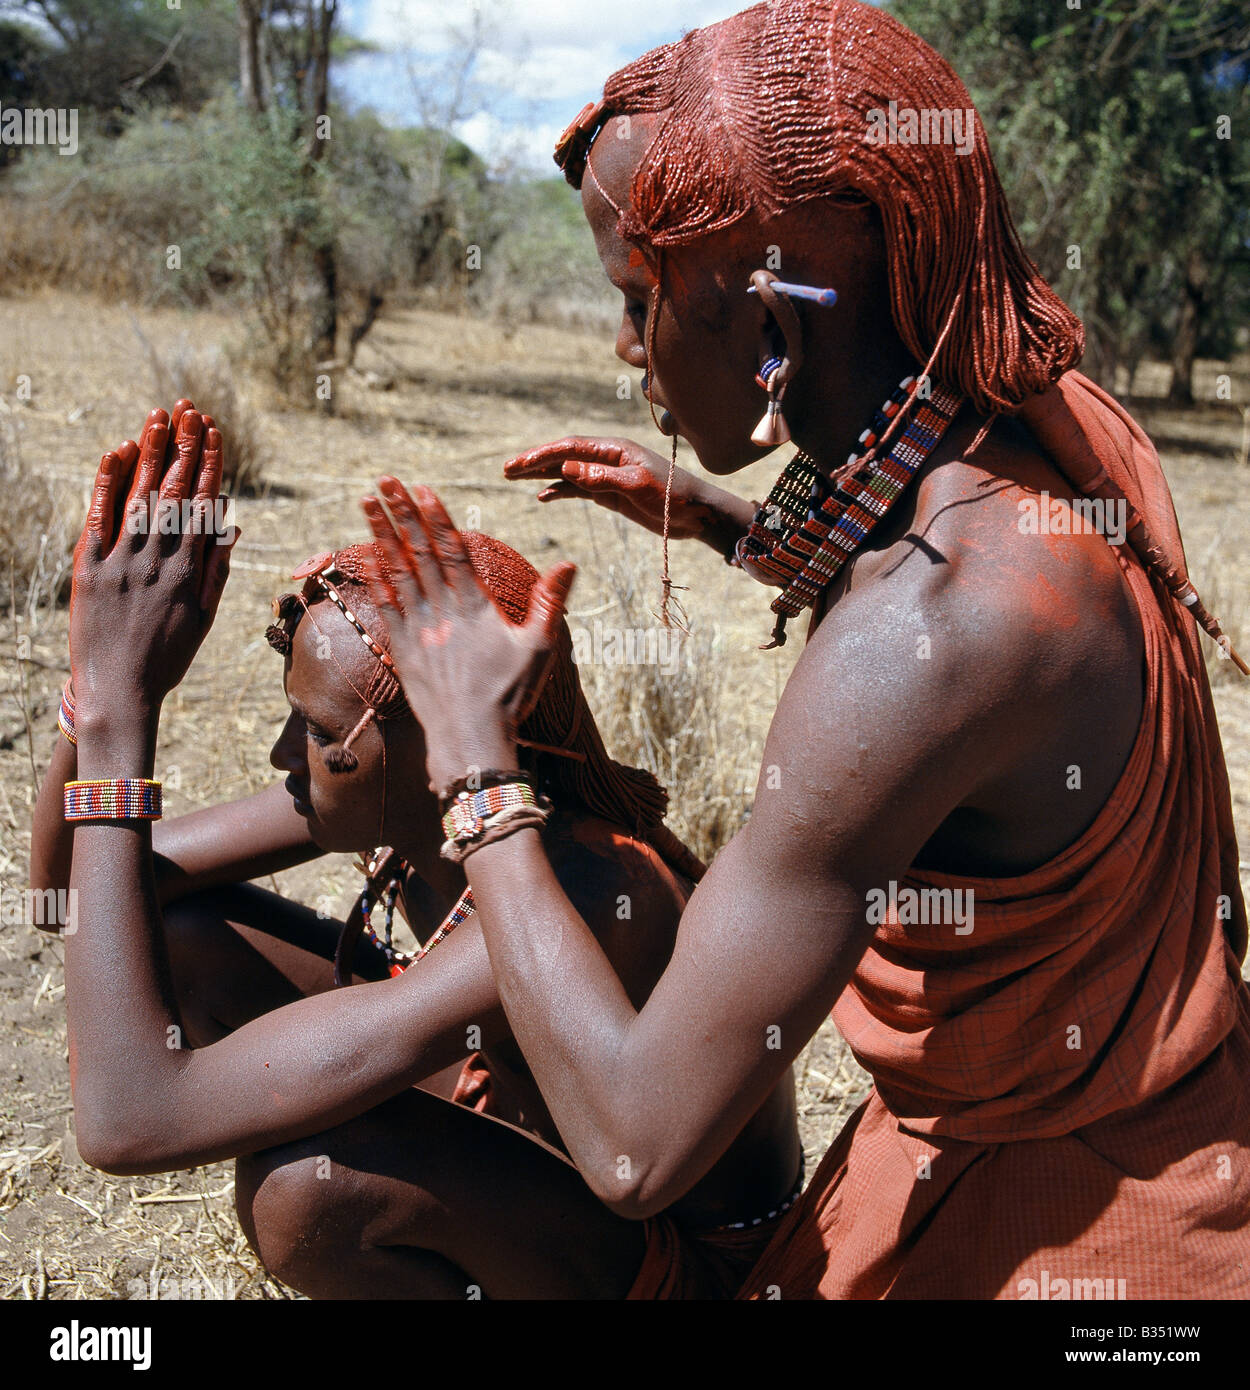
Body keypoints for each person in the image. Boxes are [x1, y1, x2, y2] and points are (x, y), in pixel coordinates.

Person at [339, 0, 1244, 1298]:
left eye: (636, 297)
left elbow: (636, 1143)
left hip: (1076, 1235)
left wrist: (478, 766)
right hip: (1140, 1124)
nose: (617, 347)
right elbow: (927, 564)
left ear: (768, 315)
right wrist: (723, 522)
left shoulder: (928, 636)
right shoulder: (1043, 436)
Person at [32, 400, 800, 1299]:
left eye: (319, 735)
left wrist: (127, 715)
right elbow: (66, 892)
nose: (286, 754)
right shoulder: (408, 794)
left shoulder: (581, 885)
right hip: (527, 1129)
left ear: (438, 742)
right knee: (182, 934)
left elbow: (127, 1121)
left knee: (312, 1196)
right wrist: (96, 693)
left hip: (685, 1266)